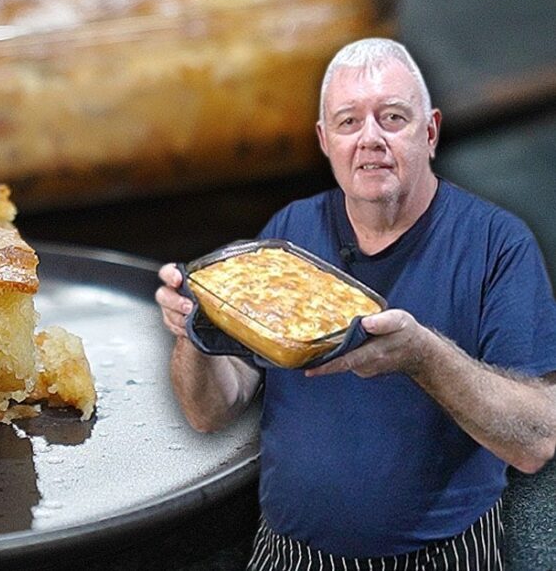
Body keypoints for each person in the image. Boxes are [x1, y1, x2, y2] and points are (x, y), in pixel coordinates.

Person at [156, 37, 556, 569]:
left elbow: (538, 440)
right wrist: (193, 332)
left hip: (443, 555)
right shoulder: (287, 236)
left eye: (392, 118)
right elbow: (211, 411)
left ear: (431, 131)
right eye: (348, 123)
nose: (369, 139)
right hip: (287, 553)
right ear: (325, 141)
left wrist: (423, 355)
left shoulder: (496, 244)